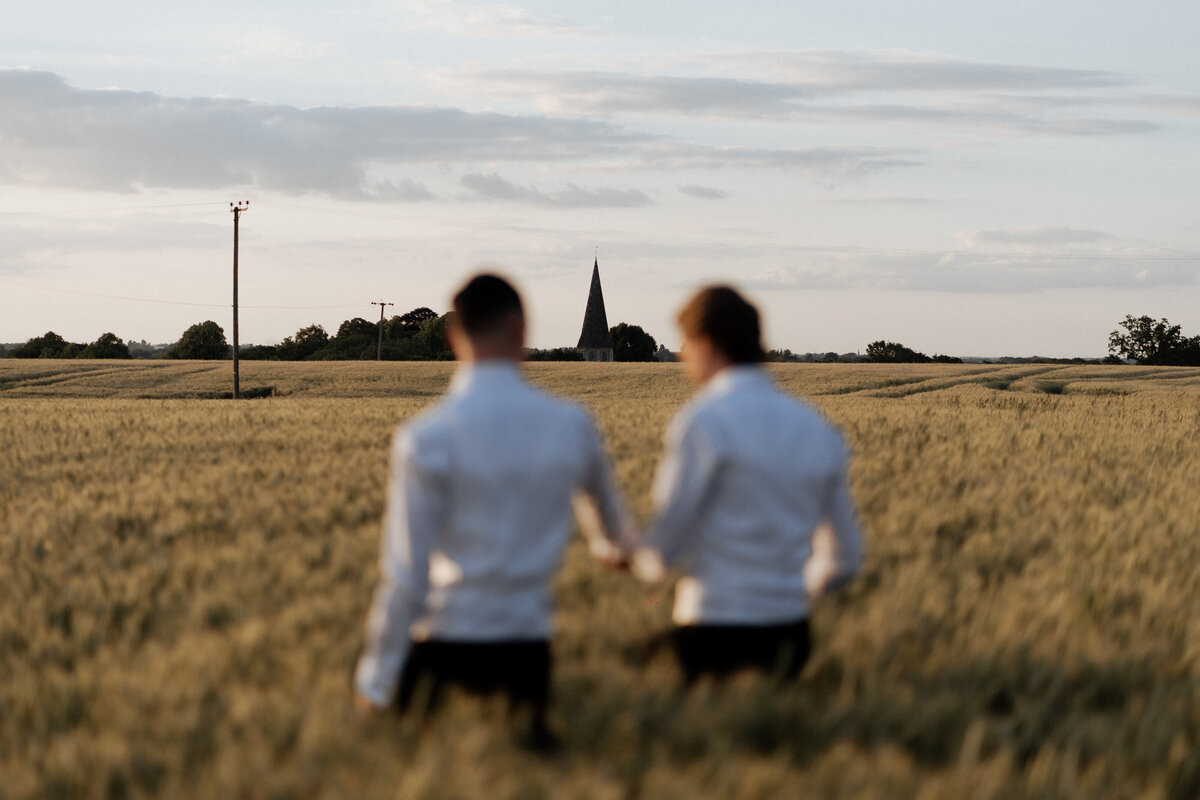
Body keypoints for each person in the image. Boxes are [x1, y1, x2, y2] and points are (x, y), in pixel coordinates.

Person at [353, 274, 635, 746]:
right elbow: (612, 535)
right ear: (523, 331)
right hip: (525, 651)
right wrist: (625, 553)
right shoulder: (572, 425)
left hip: (440, 645)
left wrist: (376, 680)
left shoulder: (425, 437)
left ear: (452, 338)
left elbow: (405, 573)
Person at [631, 285, 865, 683]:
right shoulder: (815, 427)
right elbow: (846, 559)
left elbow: (663, 552)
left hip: (711, 634)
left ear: (706, 343)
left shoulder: (703, 421)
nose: (682, 356)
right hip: (790, 638)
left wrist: (637, 559)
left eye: (684, 343)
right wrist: (785, 593)